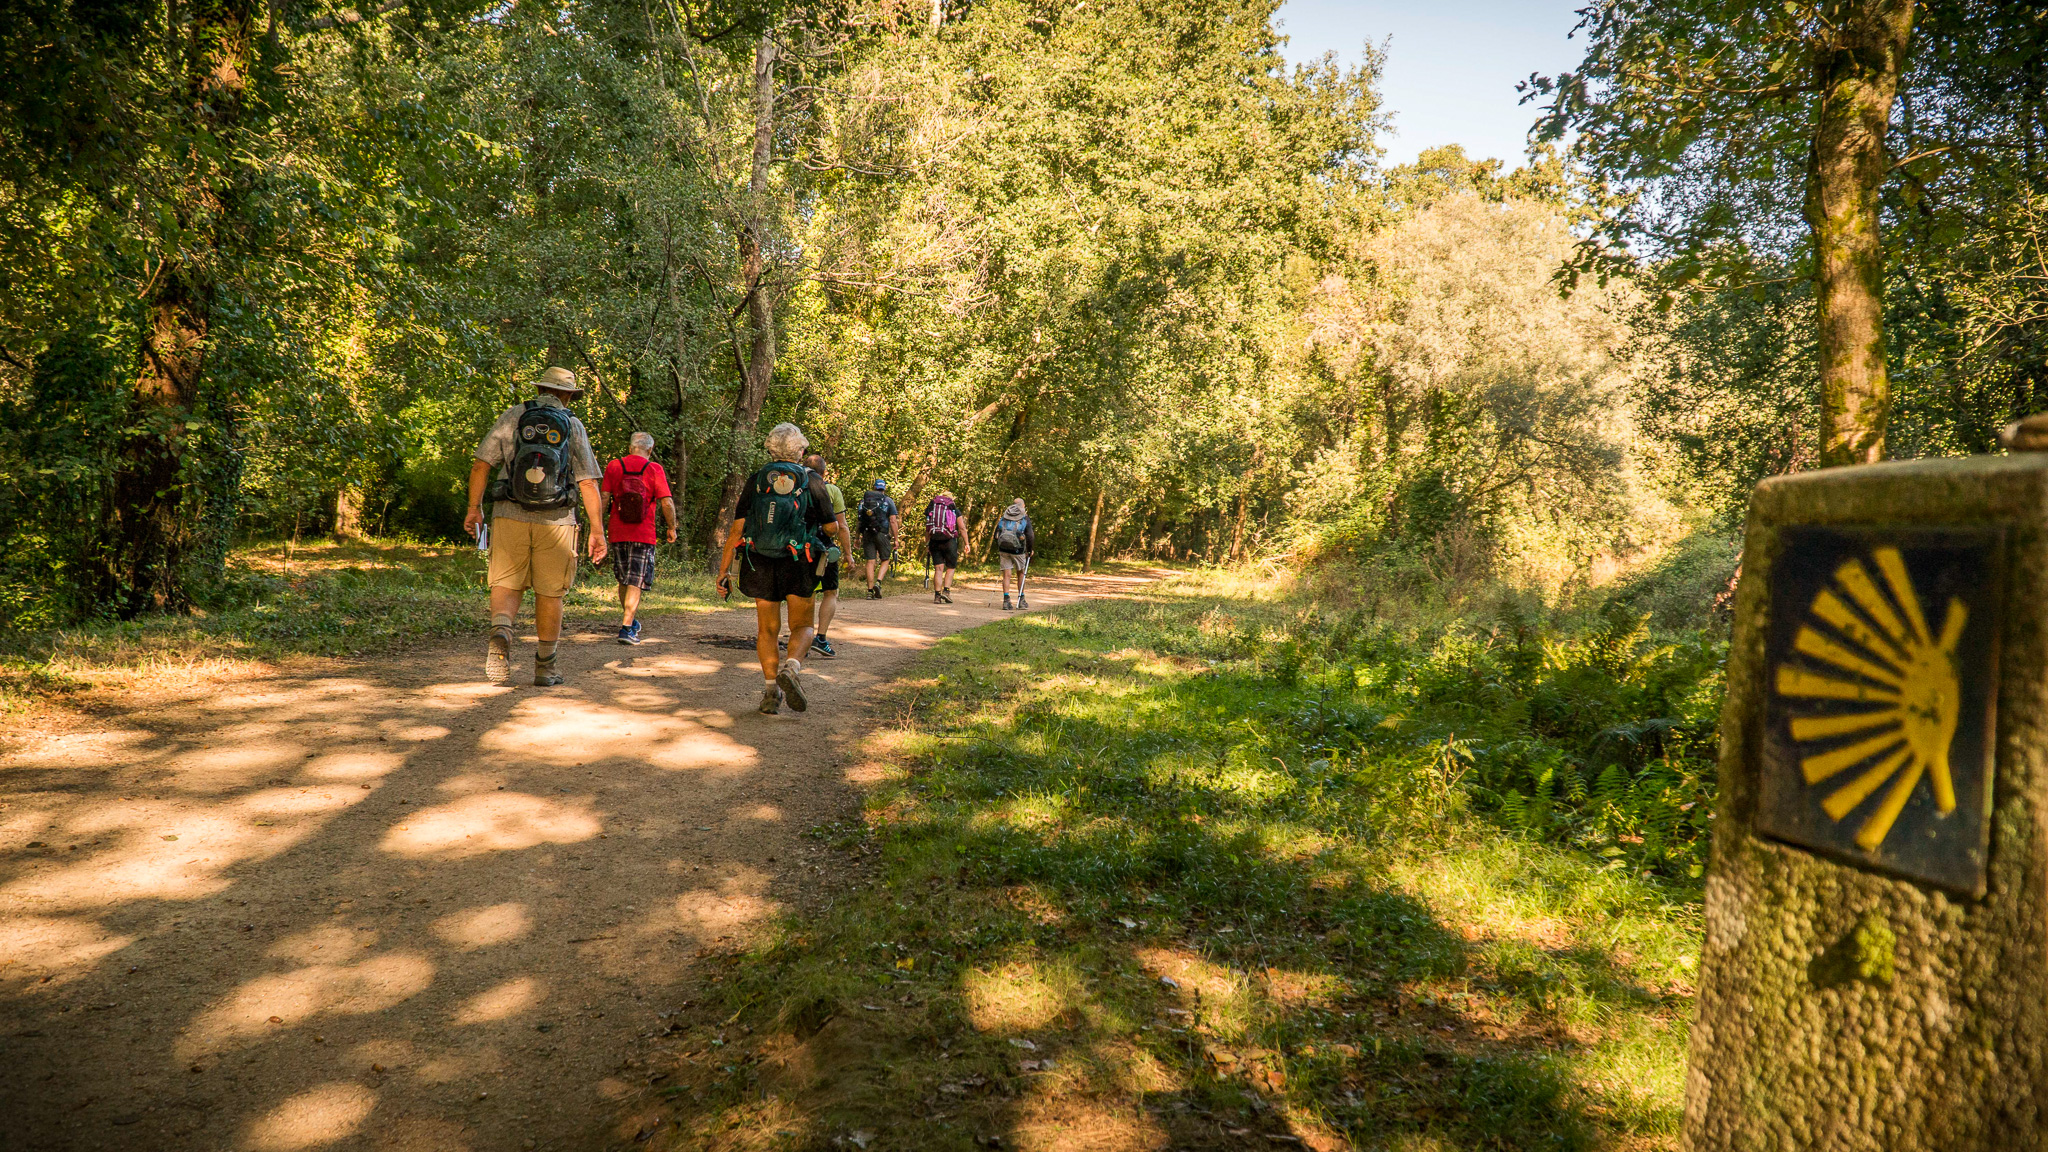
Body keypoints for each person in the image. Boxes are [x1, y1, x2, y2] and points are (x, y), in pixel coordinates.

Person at [464, 366, 606, 687]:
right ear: (569, 395)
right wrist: (597, 531)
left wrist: (475, 509)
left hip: (509, 513)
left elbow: (480, 464)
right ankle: (545, 666)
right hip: (557, 522)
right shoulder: (572, 424)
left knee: (506, 582)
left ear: (541, 389)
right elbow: (587, 483)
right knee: (550, 592)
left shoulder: (514, 415)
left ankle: (502, 630)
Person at [716, 423, 846, 715]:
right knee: (802, 626)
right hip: (800, 561)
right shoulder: (812, 480)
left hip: (760, 561)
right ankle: (792, 667)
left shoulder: (757, 480)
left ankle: (771, 692)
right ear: (800, 451)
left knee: (767, 630)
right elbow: (831, 527)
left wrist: (724, 571)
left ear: (771, 449)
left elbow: (736, 530)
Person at [600, 431, 678, 645]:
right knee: (635, 578)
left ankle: (630, 621)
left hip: (617, 531)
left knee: (623, 578)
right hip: (644, 533)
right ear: (650, 450)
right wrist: (672, 527)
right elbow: (666, 503)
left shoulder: (614, 466)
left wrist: (597, 527)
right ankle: (626, 628)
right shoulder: (654, 469)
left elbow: (604, 496)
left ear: (630, 447)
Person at [802, 452, 850, 657]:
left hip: (796, 547)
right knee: (831, 592)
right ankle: (820, 638)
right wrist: (848, 553)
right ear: (824, 472)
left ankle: (800, 638)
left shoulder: (794, 486)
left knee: (805, 593)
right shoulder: (830, 490)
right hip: (823, 546)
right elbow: (841, 526)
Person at [856, 479, 900, 599]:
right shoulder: (888, 501)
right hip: (882, 533)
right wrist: (896, 539)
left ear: (874, 487)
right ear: (884, 488)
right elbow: (893, 520)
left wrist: (857, 538)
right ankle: (878, 582)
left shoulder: (864, 501)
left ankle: (869, 591)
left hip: (867, 533)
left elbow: (859, 520)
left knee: (870, 561)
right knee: (885, 559)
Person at [994, 498, 1034, 610]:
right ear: (1023, 505)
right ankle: (1021, 600)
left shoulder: (1006, 515)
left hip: (1004, 549)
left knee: (1006, 575)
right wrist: (1030, 550)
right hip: (1018, 550)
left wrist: (1000, 546)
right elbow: (1030, 535)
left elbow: (996, 533)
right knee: (1021, 573)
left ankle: (1006, 601)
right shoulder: (1024, 517)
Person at [925, 490, 961, 604]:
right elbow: (962, 528)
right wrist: (967, 543)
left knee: (938, 569)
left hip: (934, 540)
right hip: (949, 541)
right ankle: (946, 592)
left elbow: (927, 528)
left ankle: (937, 596)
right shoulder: (954, 509)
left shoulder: (933, 508)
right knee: (950, 567)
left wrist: (927, 543)